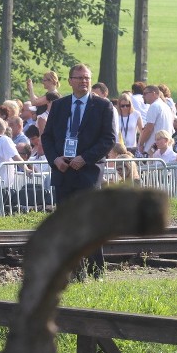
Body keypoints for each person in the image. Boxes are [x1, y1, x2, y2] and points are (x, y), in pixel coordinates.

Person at [41, 63, 115, 278]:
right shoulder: (60, 105)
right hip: (63, 172)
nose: (84, 81)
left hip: (88, 173)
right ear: (70, 81)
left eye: (87, 78)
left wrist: (84, 158)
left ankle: (96, 271)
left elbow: (108, 139)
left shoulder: (102, 106)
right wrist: (55, 159)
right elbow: (47, 137)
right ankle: (74, 272)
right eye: (79, 77)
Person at [137, 86, 174, 157]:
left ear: (153, 93)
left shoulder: (154, 106)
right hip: (165, 147)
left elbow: (149, 128)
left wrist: (141, 144)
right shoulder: (165, 106)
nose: (143, 96)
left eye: (145, 94)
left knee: (151, 167)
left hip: (154, 148)